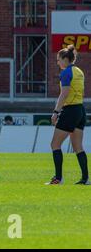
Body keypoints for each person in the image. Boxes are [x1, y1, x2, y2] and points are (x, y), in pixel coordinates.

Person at [48, 45, 89, 185]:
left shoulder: (66, 72)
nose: (58, 63)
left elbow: (64, 94)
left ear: (66, 59)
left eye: (59, 60)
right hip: (80, 110)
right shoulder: (79, 71)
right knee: (78, 147)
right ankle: (85, 179)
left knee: (55, 144)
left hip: (70, 110)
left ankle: (58, 178)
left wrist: (56, 112)